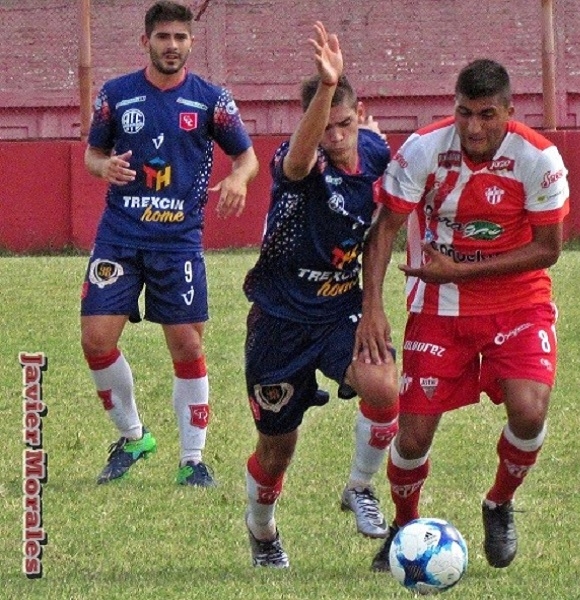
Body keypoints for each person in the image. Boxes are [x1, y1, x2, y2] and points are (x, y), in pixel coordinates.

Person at [356, 58, 570, 571]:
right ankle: (405, 527)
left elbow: (548, 249)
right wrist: (372, 307)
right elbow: (384, 230)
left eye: (486, 115)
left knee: (530, 411)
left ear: (509, 111)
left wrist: (461, 271)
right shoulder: (424, 149)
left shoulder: (539, 158)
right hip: (438, 305)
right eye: (464, 113)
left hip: (517, 303)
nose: (473, 128)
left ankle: (499, 503)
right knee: (413, 437)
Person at [241, 22, 399, 568]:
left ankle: (359, 486)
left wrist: (374, 302)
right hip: (279, 321)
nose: (336, 136)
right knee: (276, 451)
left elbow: (387, 222)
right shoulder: (300, 160)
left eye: (345, 124)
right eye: (326, 125)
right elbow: (300, 160)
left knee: (383, 386)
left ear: (360, 117)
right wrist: (327, 88)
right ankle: (262, 531)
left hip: (338, 311)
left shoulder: (376, 152)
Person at [81, 1, 258, 487]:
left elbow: (246, 158)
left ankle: (192, 460)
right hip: (119, 238)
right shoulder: (117, 95)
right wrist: (104, 167)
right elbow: (92, 155)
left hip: (178, 242)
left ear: (191, 43)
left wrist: (238, 179)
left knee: (186, 344)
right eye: (163, 37)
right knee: (96, 340)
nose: (172, 46)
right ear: (146, 42)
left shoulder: (211, 100)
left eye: (180, 37)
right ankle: (133, 437)